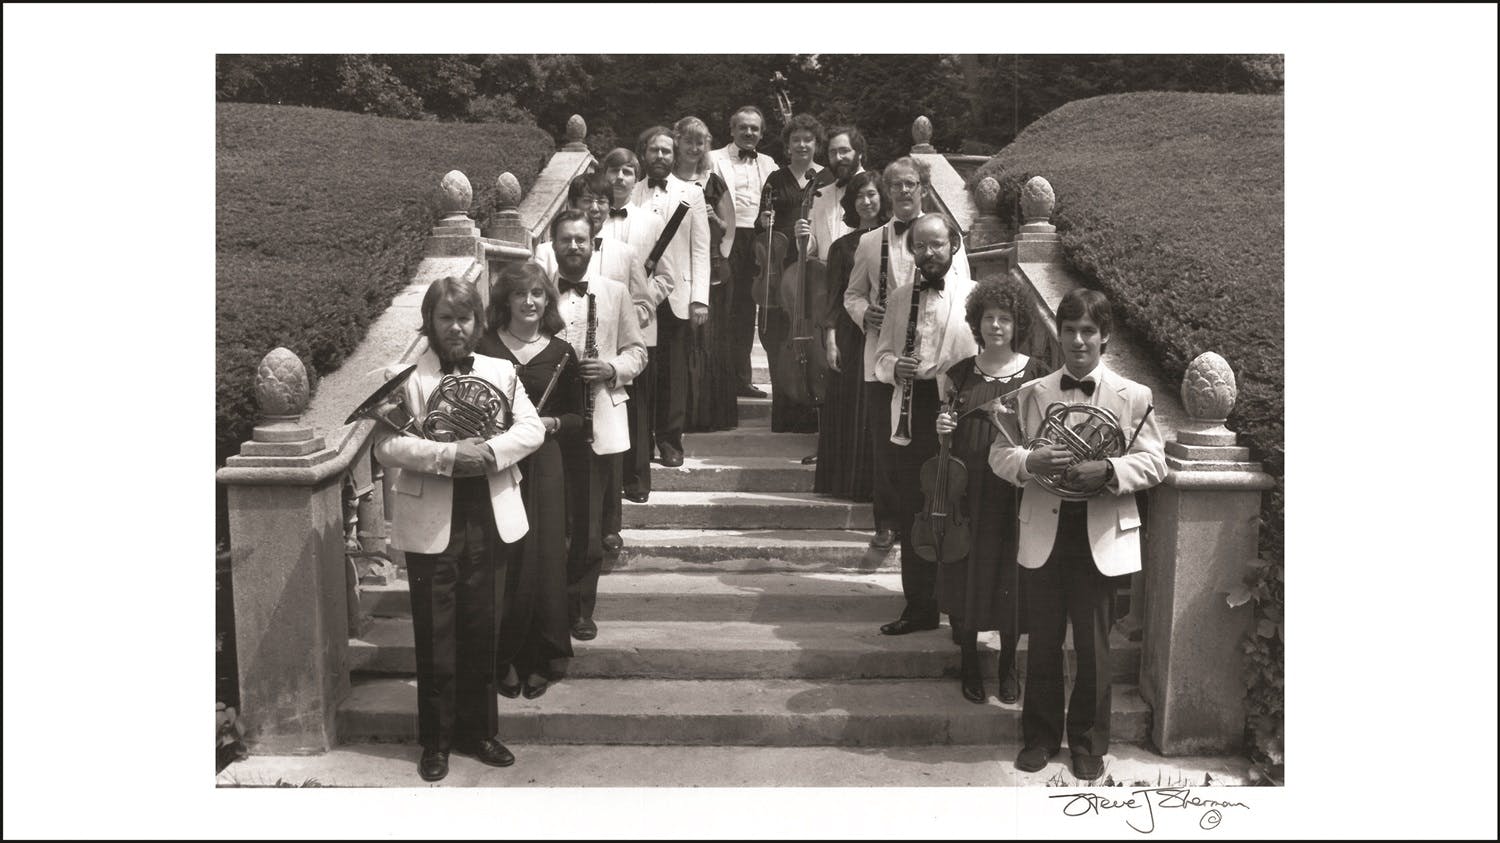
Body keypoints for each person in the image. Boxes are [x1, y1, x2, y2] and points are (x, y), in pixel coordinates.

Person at [988, 288, 1166, 782]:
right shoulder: (1034, 392)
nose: (1079, 340)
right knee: (1043, 640)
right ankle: (1040, 738)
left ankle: (1088, 742)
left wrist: (1108, 468)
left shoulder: (1135, 396)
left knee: (1093, 647)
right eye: (1069, 330)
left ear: (1105, 336)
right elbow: (999, 455)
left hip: (1100, 532)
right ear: (1058, 335)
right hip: (1046, 526)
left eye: (1089, 331)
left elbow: (1155, 462)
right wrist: (1030, 461)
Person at [371, 276, 545, 782]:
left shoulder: (501, 370)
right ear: (430, 323)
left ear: (479, 322)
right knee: (434, 633)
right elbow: (386, 447)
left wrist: (490, 452)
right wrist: (449, 454)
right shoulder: (403, 374)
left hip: (488, 515)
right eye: (445, 318)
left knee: (481, 629)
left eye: (464, 318)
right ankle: (437, 741)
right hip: (433, 518)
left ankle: (479, 731)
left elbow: (530, 428)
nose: (455, 328)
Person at [933, 275, 1050, 705]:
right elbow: (943, 434)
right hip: (969, 489)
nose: (995, 326)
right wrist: (941, 426)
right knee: (968, 571)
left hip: (1015, 489)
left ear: (1017, 322)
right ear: (976, 322)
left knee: (1012, 574)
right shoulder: (960, 374)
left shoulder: (1037, 374)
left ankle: (1007, 666)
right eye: (988, 318)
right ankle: (968, 661)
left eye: (1004, 318)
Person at [844, 158, 970, 550]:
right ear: (887, 191)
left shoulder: (944, 235)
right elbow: (852, 294)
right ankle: (888, 522)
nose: (902, 191)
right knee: (887, 448)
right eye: (895, 184)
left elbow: (961, 290)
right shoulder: (869, 241)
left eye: (910, 183)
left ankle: (929, 524)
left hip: (935, 365)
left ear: (923, 188)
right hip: (886, 359)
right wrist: (867, 313)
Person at [476, 261, 581, 702]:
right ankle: (502, 658)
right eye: (520, 294)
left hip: (546, 460)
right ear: (505, 301)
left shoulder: (562, 353)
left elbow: (581, 419)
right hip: (499, 461)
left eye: (538, 293)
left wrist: (551, 422)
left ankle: (541, 657)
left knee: (543, 557)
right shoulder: (483, 348)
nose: (530, 301)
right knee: (503, 558)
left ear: (547, 300)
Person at [872, 214, 977, 636]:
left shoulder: (976, 295)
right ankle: (919, 607)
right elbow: (880, 357)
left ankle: (962, 609)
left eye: (936, 245)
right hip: (912, 410)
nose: (928, 254)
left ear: (953, 245)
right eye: (920, 246)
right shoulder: (899, 299)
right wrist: (896, 366)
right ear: (911, 250)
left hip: (958, 407)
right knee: (916, 508)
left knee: (958, 507)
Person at [549, 210, 648, 642]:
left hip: (597, 417)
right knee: (550, 523)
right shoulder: (534, 294)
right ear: (553, 245)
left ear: (594, 245)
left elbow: (637, 352)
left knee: (589, 528)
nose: (574, 247)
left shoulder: (615, 292)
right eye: (566, 240)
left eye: (581, 240)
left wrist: (609, 368)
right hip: (548, 420)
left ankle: (579, 609)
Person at [540, 165, 663, 505]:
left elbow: (641, 304)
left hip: (603, 383)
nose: (593, 209)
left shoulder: (623, 253)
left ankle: (608, 529)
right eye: (586, 201)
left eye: (600, 202)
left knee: (602, 475)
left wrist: (616, 326)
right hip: (557, 392)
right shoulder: (546, 257)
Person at [632, 126, 711, 472]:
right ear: (644, 154)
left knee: (674, 372)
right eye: (654, 150)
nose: (660, 156)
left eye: (666, 151)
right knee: (641, 371)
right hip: (638, 297)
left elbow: (700, 247)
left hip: (678, 295)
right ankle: (641, 440)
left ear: (674, 154)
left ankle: (670, 440)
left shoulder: (691, 193)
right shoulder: (630, 193)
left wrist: (700, 298)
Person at [753, 112, 830, 434]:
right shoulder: (775, 178)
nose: (801, 145)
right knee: (780, 337)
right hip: (782, 268)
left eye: (807, 139)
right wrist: (765, 222)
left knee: (816, 337)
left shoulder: (825, 178)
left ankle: (815, 407)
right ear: (787, 145)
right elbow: (761, 218)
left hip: (814, 269)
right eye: (795, 139)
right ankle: (785, 412)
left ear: (816, 144)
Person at [813, 169, 887, 502]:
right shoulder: (842, 247)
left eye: (872, 194)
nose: (867, 201)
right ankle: (845, 482)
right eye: (860, 196)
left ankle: (875, 483)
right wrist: (830, 341)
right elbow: (832, 298)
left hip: (884, 333)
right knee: (849, 404)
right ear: (851, 203)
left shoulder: (895, 238)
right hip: (848, 332)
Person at [673, 115, 738, 432]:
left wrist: (713, 218)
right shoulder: (666, 180)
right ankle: (681, 413)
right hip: (674, 271)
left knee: (711, 343)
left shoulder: (714, 182)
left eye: (700, 142)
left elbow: (730, 230)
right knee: (681, 342)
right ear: (677, 141)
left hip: (711, 270)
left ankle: (710, 415)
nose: (695, 148)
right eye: (689, 141)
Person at [711, 105, 778, 398]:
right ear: (732, 130)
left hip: (758, 240)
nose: (749, 133)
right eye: (743, 127)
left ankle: (742, 379)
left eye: (755, 128)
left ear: (761, 134)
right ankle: (718, 382)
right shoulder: (713, 159)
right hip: (724, 237)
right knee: (721, 310)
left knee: (745, 310)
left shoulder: (770, 164)